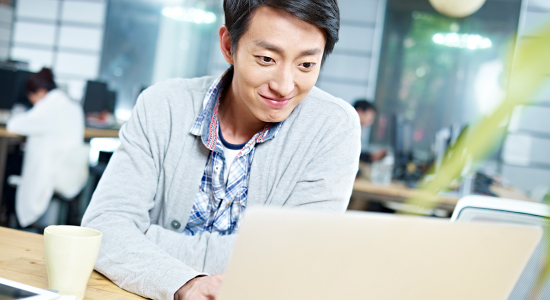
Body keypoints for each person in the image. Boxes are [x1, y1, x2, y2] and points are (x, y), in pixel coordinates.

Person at [81, 1, 361, 299]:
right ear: (229, 45)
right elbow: (104, 228)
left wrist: (146, 239)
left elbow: (297, 256)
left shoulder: (333, 126)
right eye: (267, 59)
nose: (284, 85)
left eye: (306, 64)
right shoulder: (162, 105)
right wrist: (184, 282)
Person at [7, 67, 86, 228]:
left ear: (41, 92)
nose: (33, 103)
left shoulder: (49, 107)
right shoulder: (73, 106)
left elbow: (14, 125)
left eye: (32, 98)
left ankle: (12, 225)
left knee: (11, 164)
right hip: (71, 172)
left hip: (51, 173)